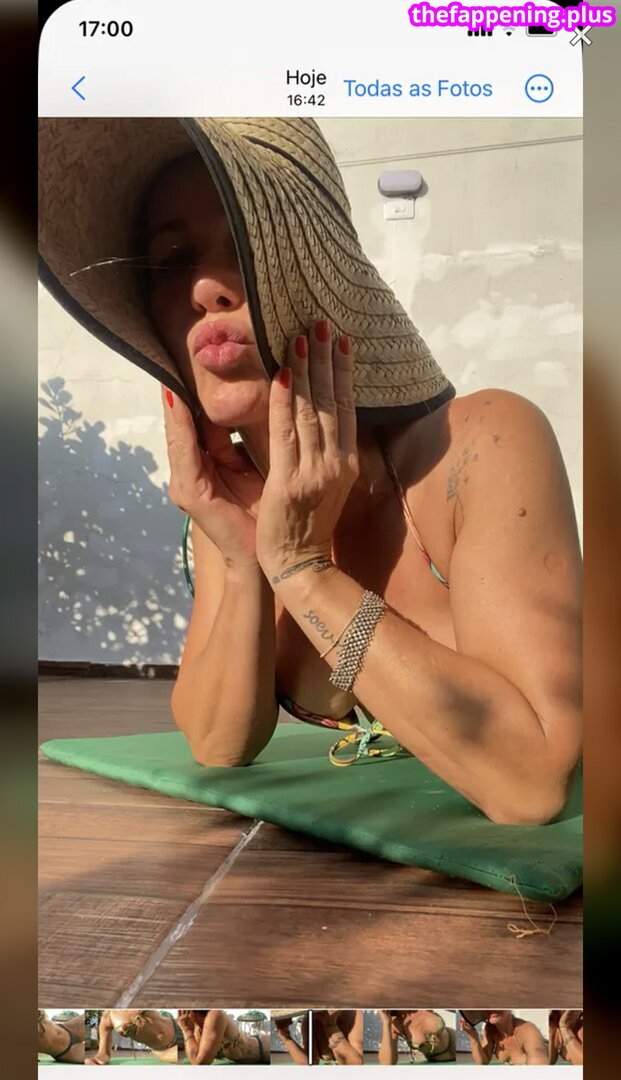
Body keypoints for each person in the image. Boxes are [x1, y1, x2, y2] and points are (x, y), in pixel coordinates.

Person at [39, 118, 582, 825]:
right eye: (172, 260)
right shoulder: (230, 504)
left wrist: (301, 569)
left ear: (322, 281)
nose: (206, 287)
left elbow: (531, 781)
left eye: (246, 248)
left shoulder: (479, 446)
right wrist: (246, 562)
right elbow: (216, 743)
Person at [85, 1009, 184, 1065]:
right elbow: (103, 1053)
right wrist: (96, 1060)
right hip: (165, 1050)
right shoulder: (108, 1017)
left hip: (178, 1025)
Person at [177, 1010, 270, 1064]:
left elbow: (200, 1064)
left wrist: (186, 1031)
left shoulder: (215, 1014)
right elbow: (195, 1057)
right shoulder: (196, 1025)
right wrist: (188, 1029)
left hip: (264, 1050)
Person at [459, 1010, 548, 1065]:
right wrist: (473, 1037)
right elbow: (482, 1062)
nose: (492, 1008)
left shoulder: (527, 1030)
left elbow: (538, 1057)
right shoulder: (490, 1030)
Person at [378, 1010, 455, 1063]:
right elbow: (387, 1064)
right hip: (439, 1058)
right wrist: (386, 1023)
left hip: (455, 1041)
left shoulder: (422, 1003)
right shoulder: (395, 1024)